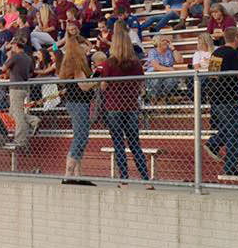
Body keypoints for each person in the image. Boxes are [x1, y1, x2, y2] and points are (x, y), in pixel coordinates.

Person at [97, 22, 148, 182]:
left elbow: (104, 86)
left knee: (118, 144)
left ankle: (124, 178)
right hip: (131, 106)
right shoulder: (136, 64)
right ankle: (145, 179)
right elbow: (141, 86)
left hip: (113, 106)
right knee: (135, 144)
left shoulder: (109, 63)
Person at [203, 27, 238, 176]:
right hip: (230, 98)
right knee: (236, 131)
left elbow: (212, 75)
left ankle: (215, 144)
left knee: (233, 129)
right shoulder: (235, 54)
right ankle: (229, 165)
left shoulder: (216, 53)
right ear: (237, 38)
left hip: (216, 97)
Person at [57, 31, 95, 183]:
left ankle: (78, 175)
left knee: (81, 136)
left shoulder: (70, 61)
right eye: (85, 46)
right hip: (79, 102)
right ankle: (69, 174)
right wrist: (99, 78)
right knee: (80, 136)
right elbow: (84, 86)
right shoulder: (77, 63)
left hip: (76, 102)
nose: (88, 49)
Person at [2, 40, 39, 148]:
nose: (11, 48)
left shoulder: (16, 56)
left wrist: (9, 56)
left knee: (18, 115)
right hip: (23, 88)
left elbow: (3, 68)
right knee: (12, 113)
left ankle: (20, 140)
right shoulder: (28, 58)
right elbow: (32, 72)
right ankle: (33, 120)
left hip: (15, 88)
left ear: (16, 46)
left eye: (12, 45)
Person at [144, 35, 179, 102]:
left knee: (171, 80)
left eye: (167, 41)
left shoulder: (169, 51)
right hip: (154, 74)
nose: (166, 42)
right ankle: (154, 99)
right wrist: (170, 69)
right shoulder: (152, 51)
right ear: (158, 42)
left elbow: (179, 60)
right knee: (156, 80)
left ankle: (161, 98)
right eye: (163, 40)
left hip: (167, 75)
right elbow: (156, 67)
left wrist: (173, 49)